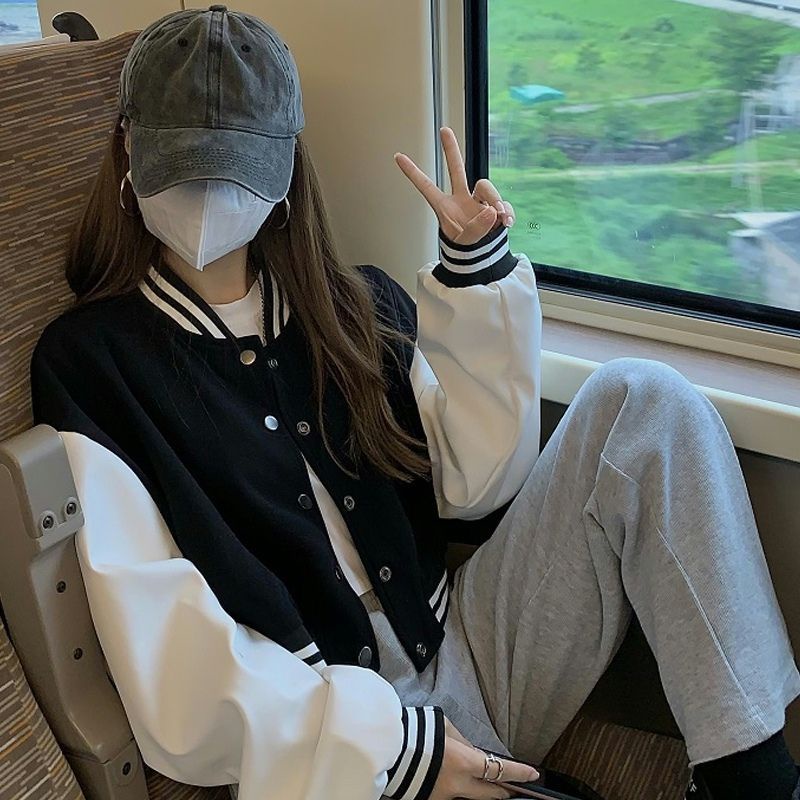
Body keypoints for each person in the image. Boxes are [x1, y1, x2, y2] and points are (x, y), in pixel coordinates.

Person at [29, 7, 800, 800]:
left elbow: (476, 489)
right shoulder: (93, 365)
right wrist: (396, 751)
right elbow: (164, 633)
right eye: (184, 166)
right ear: (127, 147)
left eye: (233, 169)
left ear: (285, 168)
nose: (207, 195)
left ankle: (753, 782)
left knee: (644, 400)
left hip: (462, 641)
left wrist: (475, 274)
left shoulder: (356, 307)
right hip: (327, 738)